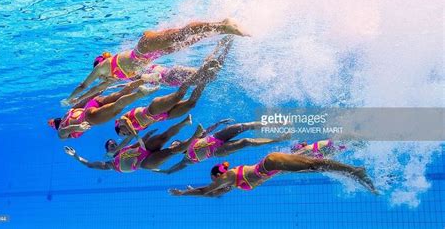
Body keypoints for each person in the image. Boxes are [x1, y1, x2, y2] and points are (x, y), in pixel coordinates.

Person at [63, 19, 246, 106]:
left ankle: (222, 24)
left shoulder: (104, 66)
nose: (99, 77)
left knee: (180, 34)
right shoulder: (111, 79)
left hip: (144, 48)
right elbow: (94, 91)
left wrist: (72, 97)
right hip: (154, 54)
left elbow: (84, 84)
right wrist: (78, 100)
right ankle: (220, 32)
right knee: (187, 40)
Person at [114, 36, 232, 140]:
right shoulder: (137, 127)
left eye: (123, 133)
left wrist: (135, 136)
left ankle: (215, 52)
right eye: (125, 135)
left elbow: (125, 121)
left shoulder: (122, 121)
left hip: (170, 77)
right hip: (164, 110)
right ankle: (225, 49)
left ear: (119, 127)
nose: (126, 134)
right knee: (207, 81)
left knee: (186, 90)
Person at [169, 152, 378, 197]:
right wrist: (191, 193)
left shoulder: (228, 176)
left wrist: (183, 194)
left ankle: (355, 171)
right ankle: (354, 173)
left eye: (216, 180)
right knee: (315, 165)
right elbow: (213, 194)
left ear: (217, 176)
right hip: (276, 166)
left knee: (315, 165)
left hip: (271, 163)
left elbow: (207, 190)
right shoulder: (229, 183)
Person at [63, 116, 205, 172]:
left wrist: (148, 135)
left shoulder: (125, 149)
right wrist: (75, 155)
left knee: (163, 136)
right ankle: (195, 136)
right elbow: (88, 164)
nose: (113, 145)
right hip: (145, 163)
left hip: (145, 149)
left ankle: (186, 122)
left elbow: (137, 143)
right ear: (108, 151)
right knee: (172, 150)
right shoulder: (109, 165)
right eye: (111, 145)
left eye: (113, 143)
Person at [157, 120, 291, 174]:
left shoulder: (192, 139)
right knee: (245, 142)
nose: (174, 145)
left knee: (241, 126)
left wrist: (219, 122)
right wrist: (163, 171)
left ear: (181, 142)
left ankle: (277, 123)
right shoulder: (186, 159)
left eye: (175, 143)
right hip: (217, 151)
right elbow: (172, 169)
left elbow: (207, 131)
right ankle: (278, 139)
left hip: (217, 137)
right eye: (173, 146)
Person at [48, 79, 156, 139]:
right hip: (93, 103)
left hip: (89, 118)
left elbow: (62, 132)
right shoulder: (69, 112)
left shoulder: (63, 131)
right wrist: (99, 90)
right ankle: (145, 78)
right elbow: (85, 100)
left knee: (116, 108)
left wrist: (78, 127)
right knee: (120, 94)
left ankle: (140, 93)